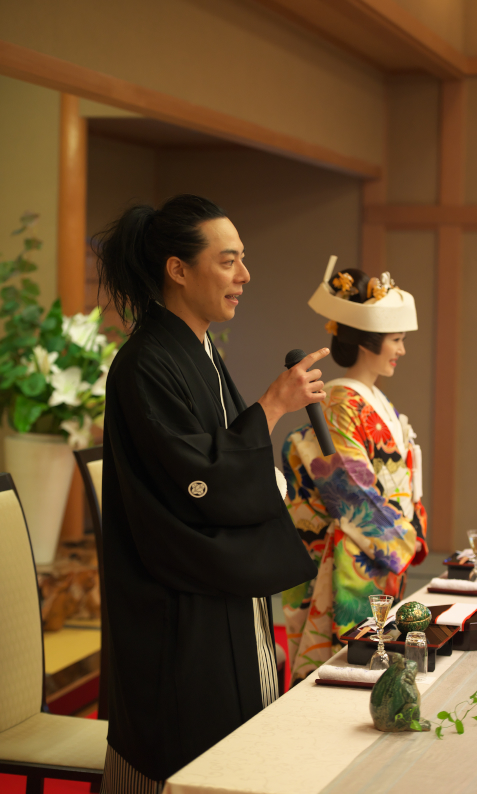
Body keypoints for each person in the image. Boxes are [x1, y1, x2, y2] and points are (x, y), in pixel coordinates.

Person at [96, 194, 326, 791]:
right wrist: (271, 405)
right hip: (175, 600)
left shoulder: (197, 349)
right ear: (177, 269)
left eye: (242, 259)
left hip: (211, 583)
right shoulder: (144, 363)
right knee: (191, 753)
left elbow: (221, 464)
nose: (244, 275)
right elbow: (198, 480)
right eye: (228, 261)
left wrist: (264, 427)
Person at [282, 263, 428, 686]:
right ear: (368, 341)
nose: (401, 350)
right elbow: (351, 490)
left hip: (381, 552)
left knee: (376, 662)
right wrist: (405, 539)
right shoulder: (341, 401)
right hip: (354, 556)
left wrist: (410, 529)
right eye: (396, 340)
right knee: (348, 669)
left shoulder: (376, 399)